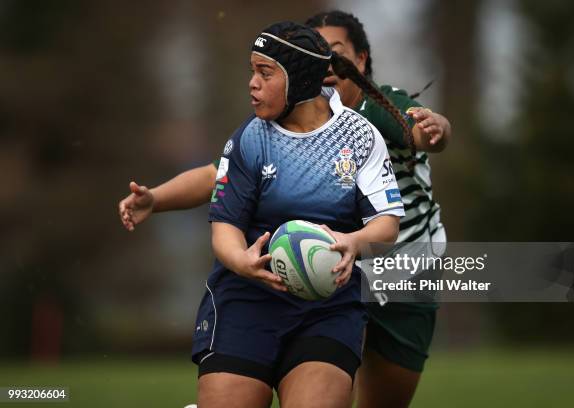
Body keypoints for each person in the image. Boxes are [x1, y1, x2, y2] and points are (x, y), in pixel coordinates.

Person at [121, 21, 410, 408]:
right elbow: (224, 226)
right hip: (246, 298)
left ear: (301, 80)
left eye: (265, 72)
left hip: (327, 306)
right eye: (251, 70)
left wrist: (354, 242)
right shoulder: (251, 139)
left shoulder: (359, 136)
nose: (252, 84)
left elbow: (387, 224)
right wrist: (241, 262)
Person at [305, 10, 451, 408]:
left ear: (362, 59)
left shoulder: (380, 108)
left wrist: (436, 126)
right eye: (315, 55)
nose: (327, 66)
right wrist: (157, 199)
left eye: (336, 53)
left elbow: (423, 132)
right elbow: (225, 172)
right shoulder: (299, 123)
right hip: (342, 271)